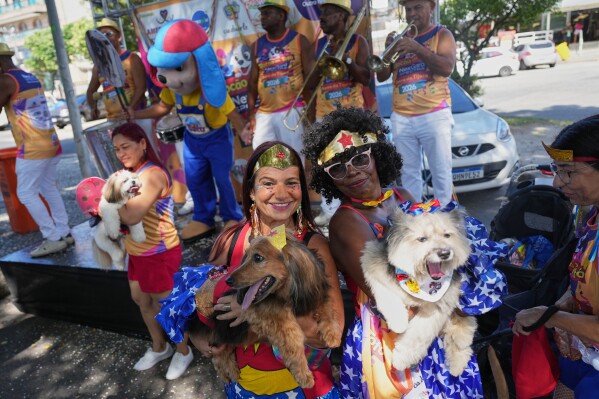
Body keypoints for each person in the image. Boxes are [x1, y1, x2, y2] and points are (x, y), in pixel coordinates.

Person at [303, 107, 508, 398]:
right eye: (338, 168)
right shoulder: (346, 222)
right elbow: (389, 290)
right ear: (329, 180)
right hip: (390, 337)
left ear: (376, 155)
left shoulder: (402, 196)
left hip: (434, 320)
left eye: (360, 158)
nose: (353, 172)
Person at [162, 141, 344, 398]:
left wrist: (253, 311)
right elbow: (202, 295)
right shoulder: (232, 238)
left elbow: (325, 337)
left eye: (291, 183)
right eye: (268, 183)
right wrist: (197, 335)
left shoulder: (312, 245)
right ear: (250, 191)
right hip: (245, 387)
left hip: (304, 387)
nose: (281, 194)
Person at [132, 19, 246, 243]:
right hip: (193, 140)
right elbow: (162, 108)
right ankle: (203, 218)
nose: (169, 79)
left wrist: (243, 131)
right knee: (195, 179)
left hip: (217, 139)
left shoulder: (210, 89)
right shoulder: (174, 91)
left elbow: (231, 111)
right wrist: (135, 114)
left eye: (178, 68)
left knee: (222, 178)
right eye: (163, 70)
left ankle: (232, 217)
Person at [513, 115, 599, 397]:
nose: (557, 184)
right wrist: (561, 308)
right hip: (584, 350)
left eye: (568, 171)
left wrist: (550, 316)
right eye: (557, 170)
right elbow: (581, 281)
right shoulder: (590, 214)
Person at [110, 122, 193, 380]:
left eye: (126, 146)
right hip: (136, 252)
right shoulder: (126, 174)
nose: (121, 153)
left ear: (143, 143)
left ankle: (184, 351)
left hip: (160, 251)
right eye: (116, 149)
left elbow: (132, 215)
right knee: (141, 300)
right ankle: (160, 347)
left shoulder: (152, 174)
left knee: (165, 305)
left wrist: (106, 201)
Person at [375, 0, 457, 206]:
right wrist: (387, 50)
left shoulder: (442, 35)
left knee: (441, 173)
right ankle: (415, 220)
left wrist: (417, 48)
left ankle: (447, 222)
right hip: (402, 115)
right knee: (408, 174)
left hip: (434, 113)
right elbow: (383, 75)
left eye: (417, 8)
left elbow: (447, 68)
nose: (412, 13)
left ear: (431, 7)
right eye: (408, 9)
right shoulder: (401, 40)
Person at [0, 42, 72, 257]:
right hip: (50, 141)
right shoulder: (28, 76)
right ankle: (64, 231)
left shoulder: (5, 80)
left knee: (25, 192)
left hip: (32, 146)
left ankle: (52, 237)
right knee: (48, 188)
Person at [313, 0, 371, 227]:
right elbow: (311, 80)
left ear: (340, 16)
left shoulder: (358, 41)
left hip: (352, 114)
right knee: (326, 164)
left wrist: (345, 58)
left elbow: (365, 78)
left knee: (356, 162)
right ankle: (330, 211)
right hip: (324, 112)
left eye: (327, 13)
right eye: (322, 13)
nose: (322, 18)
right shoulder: (319, 45)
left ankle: (359, 208)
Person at [247, 0, 314, 156]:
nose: (262, 17)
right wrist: (251, 114)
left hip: (292, 111)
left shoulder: (299, 40)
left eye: (267, 13)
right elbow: (252, 82)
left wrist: (310, 111)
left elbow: (310, 79)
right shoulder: (257, 45)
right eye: (262, 13)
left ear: (281, 15)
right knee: (262, 160)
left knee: (295, 160)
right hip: (264, 114)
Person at [86, 18, 147, 122]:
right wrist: (93, 107)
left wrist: (130, 109)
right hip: (113, 120)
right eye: (101, 36)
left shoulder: (132, 58)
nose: (105, 39)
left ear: (119, 37)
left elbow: (141, 87)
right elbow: (91, 91)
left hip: (137, 116)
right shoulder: (98, 66)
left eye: (108, 34)